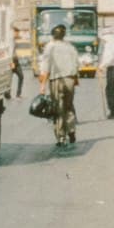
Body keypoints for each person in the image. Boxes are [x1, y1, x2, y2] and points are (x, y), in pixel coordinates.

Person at [38, 22, 81, 151]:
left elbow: (46, 66)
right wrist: (75, 79)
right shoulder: (70, 47)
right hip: (70, 80)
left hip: (57, 80)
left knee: (58, 109)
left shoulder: (50, 46)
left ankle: (61, 137)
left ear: (52, 35)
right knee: (69, 106)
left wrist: (42, 85)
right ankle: (72, 131)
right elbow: (76, 64)